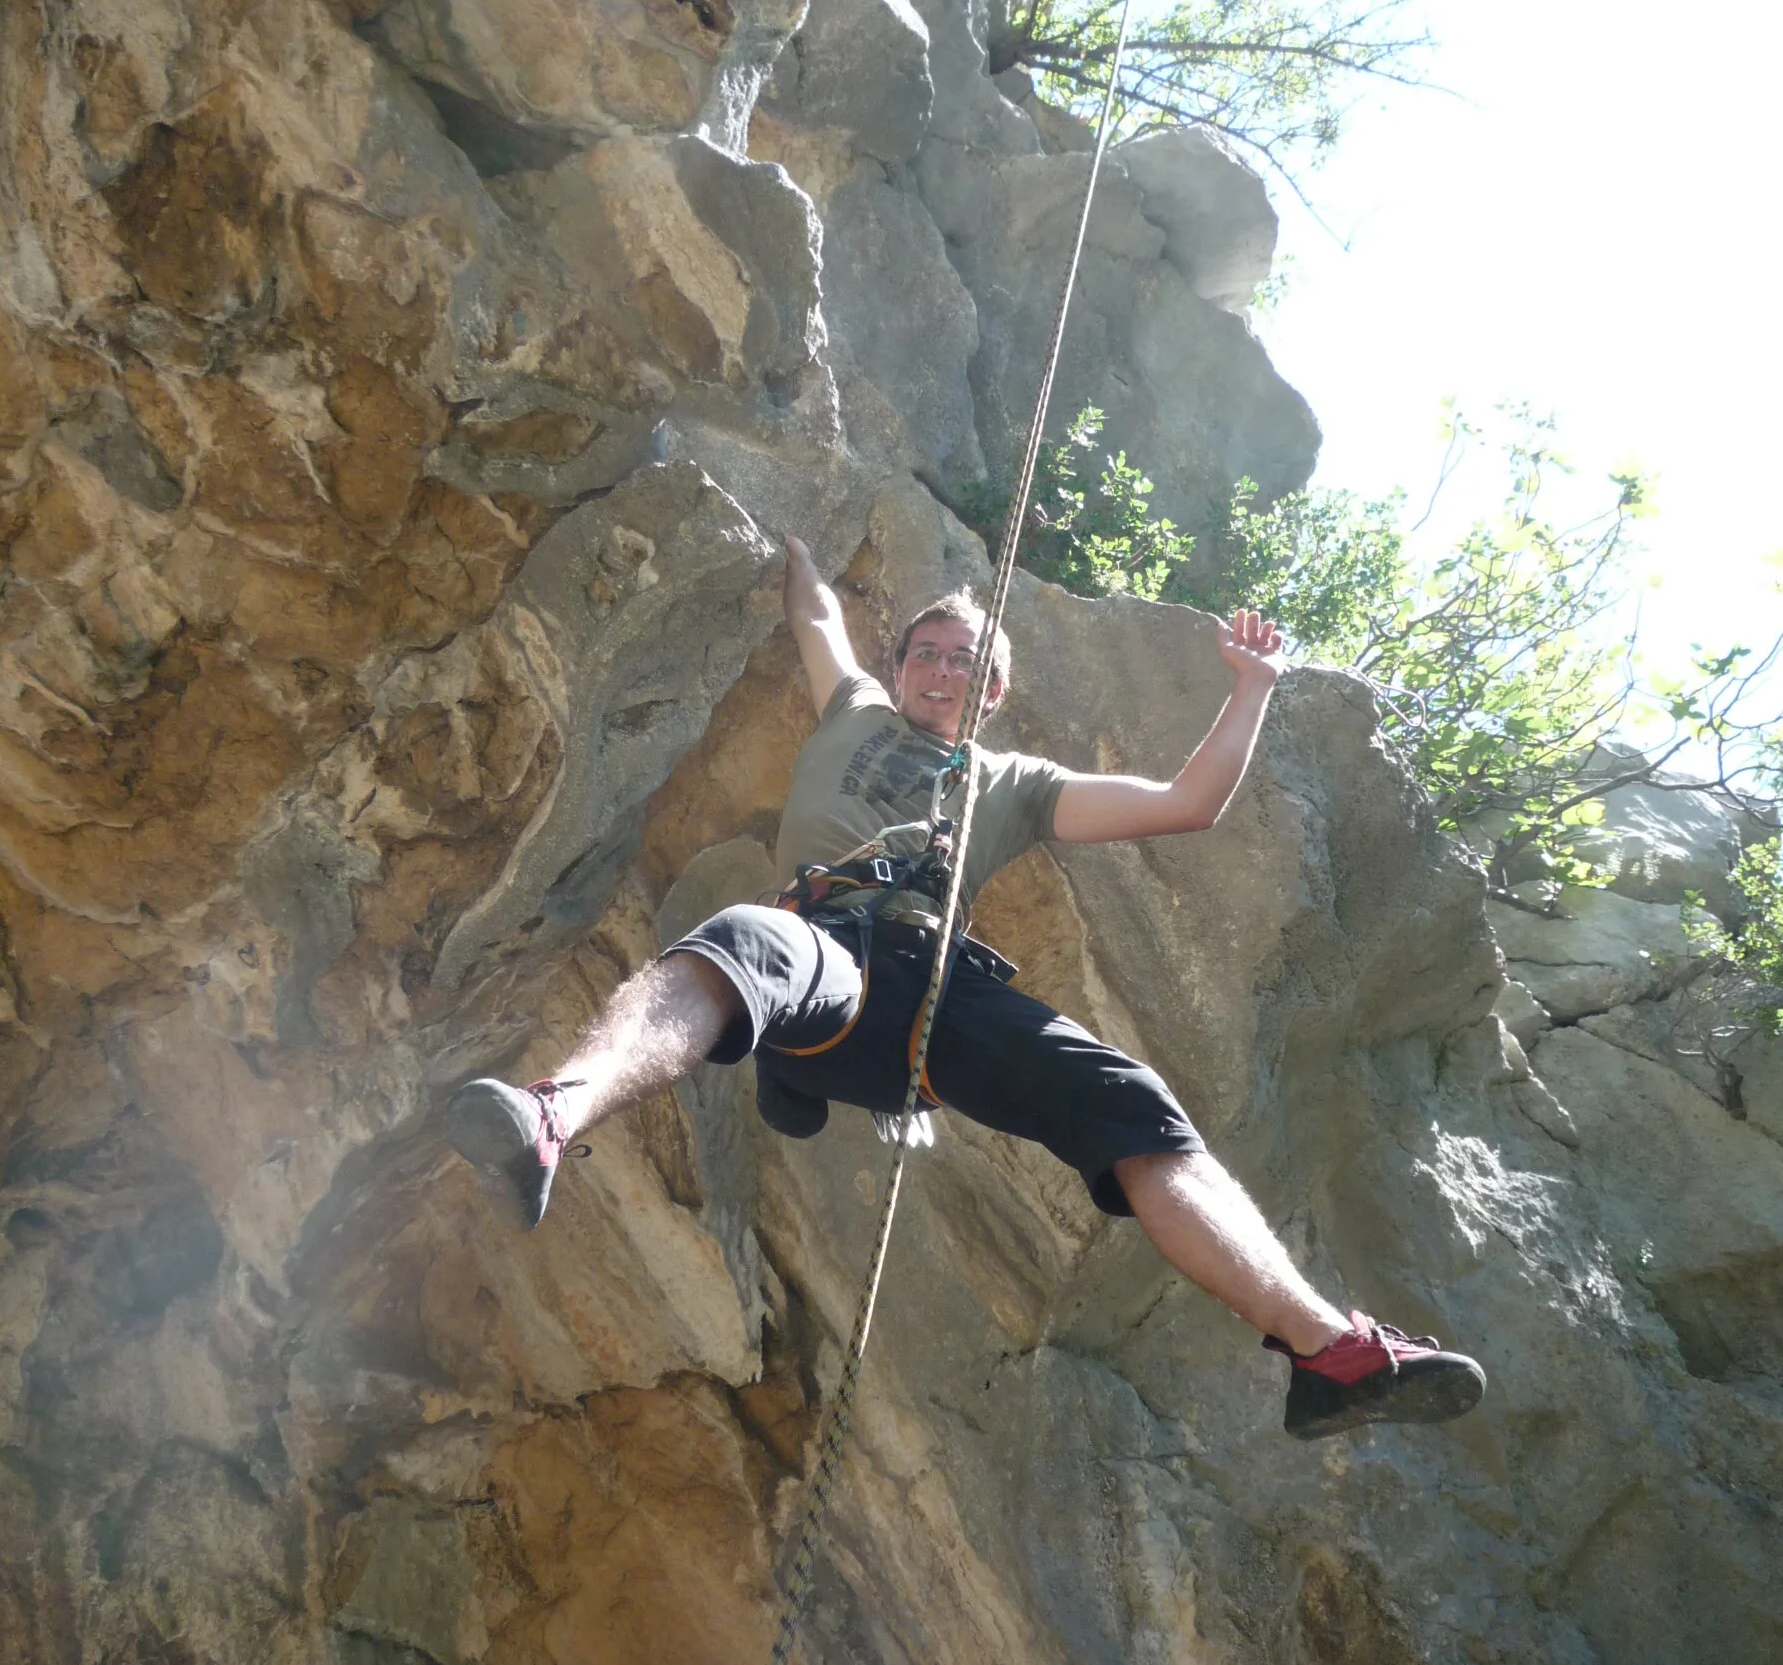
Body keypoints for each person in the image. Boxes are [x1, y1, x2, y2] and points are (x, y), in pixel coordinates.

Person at [445, 538, 1486, 1439]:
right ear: (899, 667)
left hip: (939, 990)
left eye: (966, 662)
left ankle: (1328, 1353)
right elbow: (814, 613)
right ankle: (551, 1117)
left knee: (1131, 1104)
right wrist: (798, 551)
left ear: (991, 692)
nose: (943, 671)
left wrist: (1252, 685)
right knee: (743, 942)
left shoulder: (1016, 784)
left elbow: (1186, 804)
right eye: (928, 653)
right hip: (828, 945)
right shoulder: (852, 706)